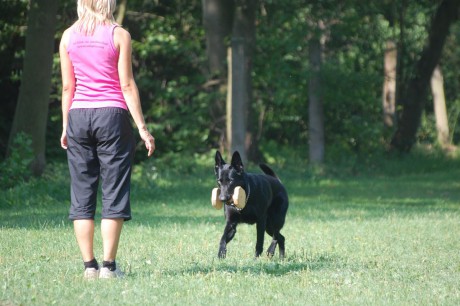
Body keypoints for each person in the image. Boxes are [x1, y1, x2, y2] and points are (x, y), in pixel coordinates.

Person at [59, 0, 155, 279]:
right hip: (112, 116)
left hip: (78, 115)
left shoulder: (67, 36)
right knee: (113, 190)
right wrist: (142, 128)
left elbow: (68, 86)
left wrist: (66, 125)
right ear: (108, 3)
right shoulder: (119, 35)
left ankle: (89, 267)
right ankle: (109, 267)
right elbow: (126, 84)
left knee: (82, 192)